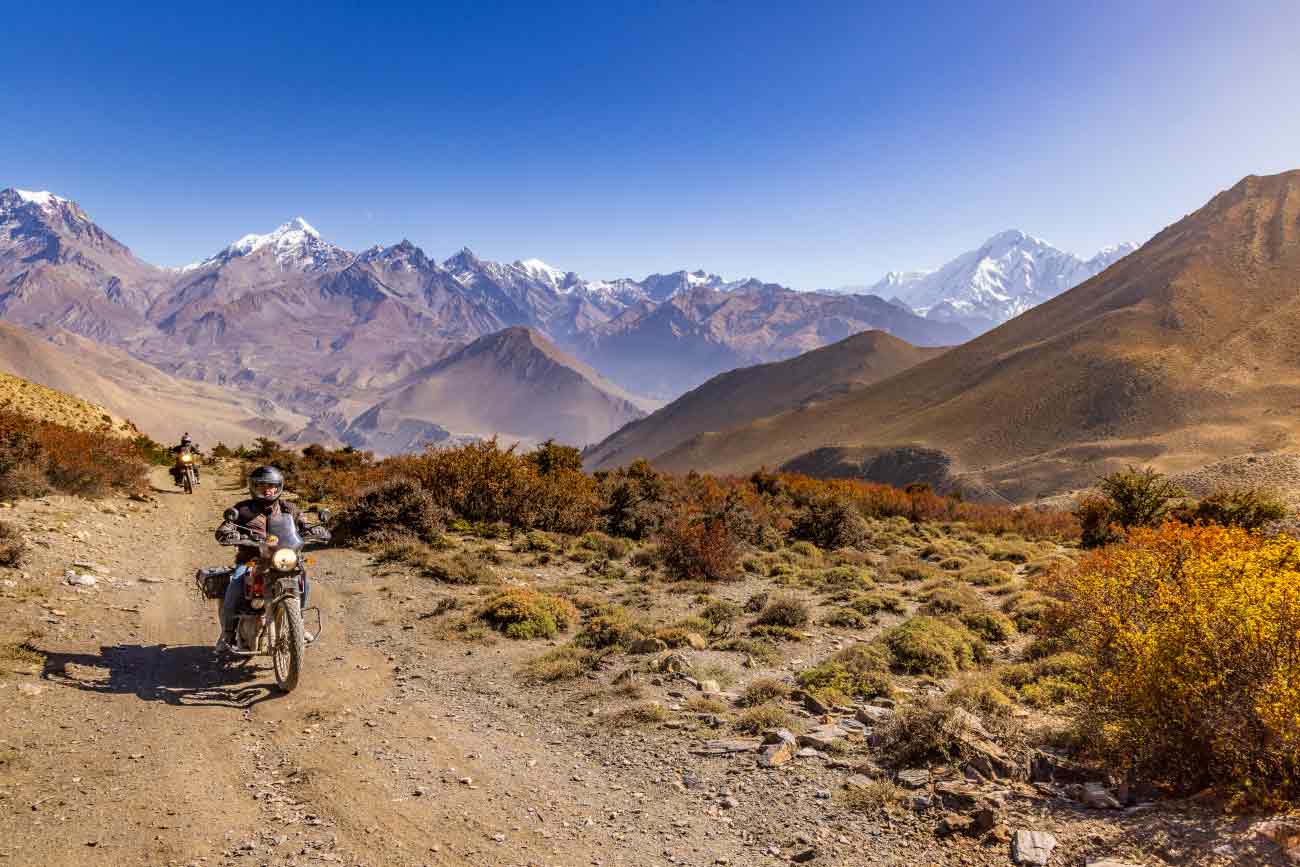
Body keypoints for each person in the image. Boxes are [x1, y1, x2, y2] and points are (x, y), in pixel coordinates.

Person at [212, 465, 328, 653]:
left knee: (303, 578)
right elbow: (227, 526)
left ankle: (298, 623)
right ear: (253, 487)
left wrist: (315, 530)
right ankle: (226, 635)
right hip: (252, 560)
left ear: (278, 487)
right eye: (261, 486)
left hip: (283, 558)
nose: (267, 490)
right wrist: (228, 532)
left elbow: (303, 525)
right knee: (235, 583)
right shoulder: (242, 509)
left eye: (271, 486)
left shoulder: (289, 508)